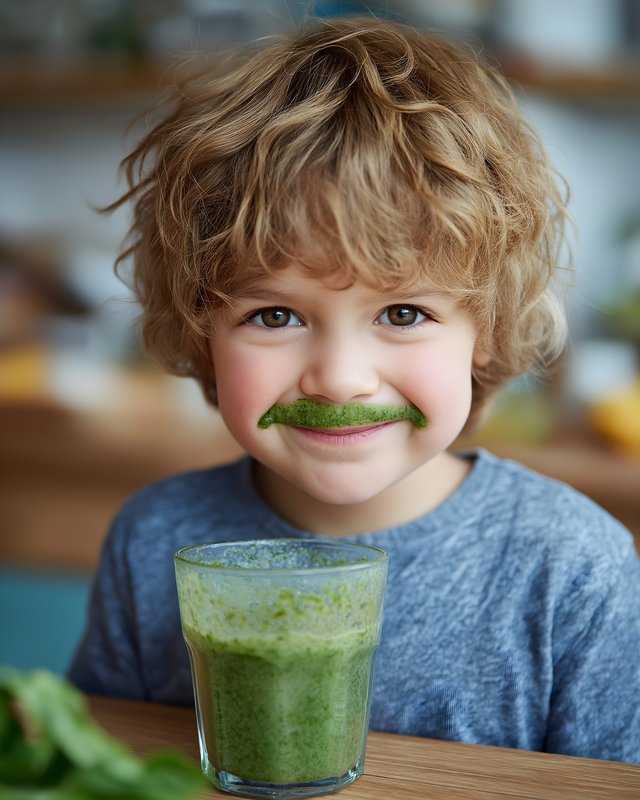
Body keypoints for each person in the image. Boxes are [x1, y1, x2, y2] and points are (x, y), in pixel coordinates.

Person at [69, 16, 640, 762]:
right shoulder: (153, 543)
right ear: (200, 329)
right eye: (274, 315)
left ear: (490, 331)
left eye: (403, 313)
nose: (338, 376)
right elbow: (90, 765)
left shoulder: (571, 567)